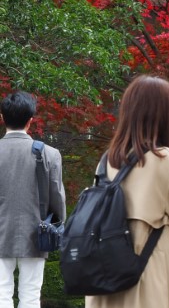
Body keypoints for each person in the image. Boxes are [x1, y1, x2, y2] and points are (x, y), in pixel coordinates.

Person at [86, 75, 169, 308]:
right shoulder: (162, 160)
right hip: (148, 278)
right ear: (165, 116)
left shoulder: (107, 160)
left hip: (108, 277)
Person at [0, 91, 66, 308]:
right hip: (37, 235)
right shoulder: (49, 154)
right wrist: (58, 224)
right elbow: (57, 199)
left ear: (2, 118)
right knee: (30, 297)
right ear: (31, 121)